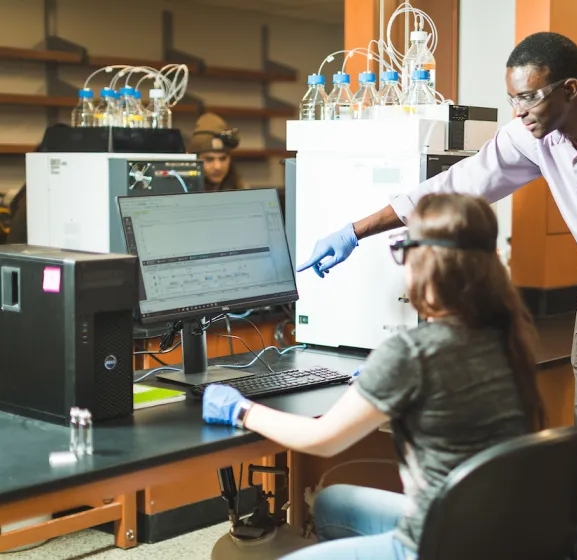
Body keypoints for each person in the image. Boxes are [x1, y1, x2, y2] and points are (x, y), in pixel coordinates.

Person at [297, 32, 577, 427]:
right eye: (513, 98)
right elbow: (452, 186)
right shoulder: (529, 137)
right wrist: (354, 230)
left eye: (529, 97)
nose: (518, 111)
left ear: (571, 89)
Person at [201, 193, 544, 559]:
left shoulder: (412, 352)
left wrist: (240, 410)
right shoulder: (506, 336)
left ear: (425, 261)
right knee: (333, 503)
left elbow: (322, 440)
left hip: (433, 544)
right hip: (498, 536)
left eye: (404, 248)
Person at [186, 113, 247, 191]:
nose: (217, 167)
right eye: (209, 159)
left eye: (223, 158)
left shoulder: (240, 189)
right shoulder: (184, 191)